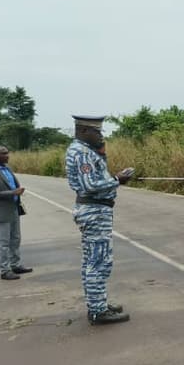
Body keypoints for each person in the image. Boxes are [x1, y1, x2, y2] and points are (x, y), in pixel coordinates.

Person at [64, 115, 135, 325]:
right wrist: (117, 179)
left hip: (94, 210)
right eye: (97, 131)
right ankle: (98, 312)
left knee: (92, 260)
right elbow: (90, 185)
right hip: (95, 211)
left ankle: (98, 304)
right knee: (99, 262)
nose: (100, 135)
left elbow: (94, 178)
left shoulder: (85, 150)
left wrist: (103, 157)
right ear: (84, 131)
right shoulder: (82, 152)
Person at [0, 145, 33, 280]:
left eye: (7, 153)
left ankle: (15, 265)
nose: (7, 155)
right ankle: (5, 270)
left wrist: (16, 194)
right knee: (3, 243)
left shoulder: (7, 169)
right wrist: (12, 192)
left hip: (14, 209)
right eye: (3, 153)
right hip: (1, 212)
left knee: (15, 239)